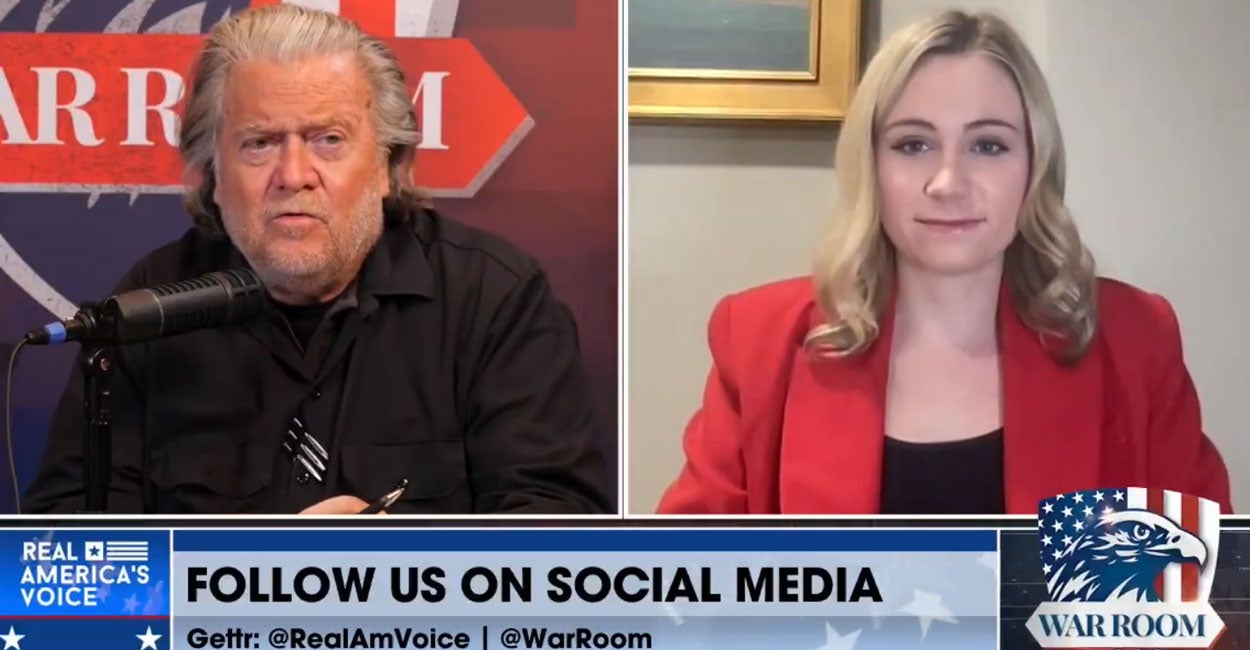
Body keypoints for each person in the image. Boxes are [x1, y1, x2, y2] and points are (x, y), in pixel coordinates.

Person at [21, 4, 612, 515]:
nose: (294, 175)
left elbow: (557, 534)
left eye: (328, 140)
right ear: (213, 175)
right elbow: (74, 554)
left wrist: (392, 567)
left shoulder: (492, 299)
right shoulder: (150, 307)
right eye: (259, 144)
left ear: (386, 166)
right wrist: (252, 575)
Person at [655, 10, 1232, 515]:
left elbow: (1196, 586)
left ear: (1035, 165)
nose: (948, 182)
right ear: (871, 166)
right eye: (913, 144)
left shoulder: (1134, 340)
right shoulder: (760, 341)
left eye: (988, 145)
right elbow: (693, 580)